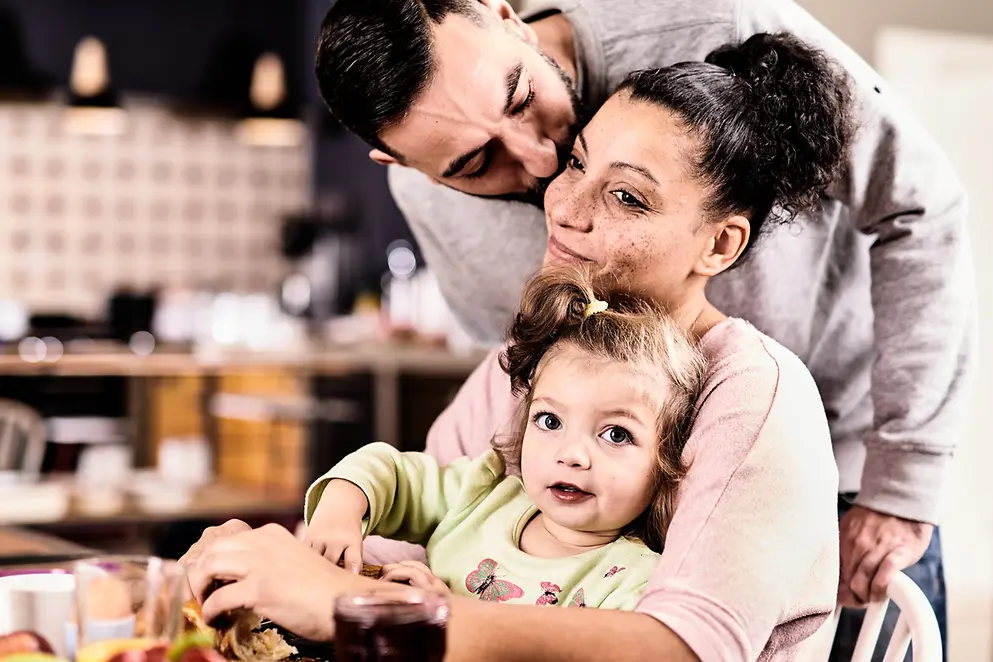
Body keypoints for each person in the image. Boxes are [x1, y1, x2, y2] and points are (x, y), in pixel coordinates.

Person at [314, 0, 975, 658]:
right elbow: (488, 430)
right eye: (474, 163)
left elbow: (920, 204)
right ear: (401, 165)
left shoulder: (711, 21)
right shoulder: (444, 215)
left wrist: (901, 484)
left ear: (505, 16)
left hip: (835, 455)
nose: (544, 166)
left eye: (520, 98)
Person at [183, 32, 850, 661]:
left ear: (718, 245)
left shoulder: (755, 393)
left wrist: (347, 604)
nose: (564, 207)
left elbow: (683, 648)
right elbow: (401, 542)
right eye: (578, 162)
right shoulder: (539, 355)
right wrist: (270, 571)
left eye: (625, 197)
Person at [304, 267, 707, 607]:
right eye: (549, 421)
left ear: (664, 461)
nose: (571, 455)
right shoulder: (481, 495)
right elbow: (391, 473)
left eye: (616, 434)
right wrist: (341, 509)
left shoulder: (632, 583)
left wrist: (445, 617)